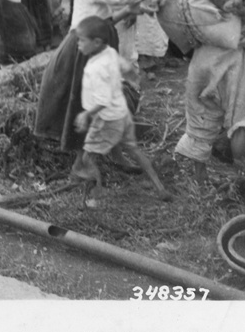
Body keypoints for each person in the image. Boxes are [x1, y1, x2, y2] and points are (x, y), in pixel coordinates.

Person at [33, 0, 163, 150]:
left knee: (85, 96)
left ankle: (92, 147)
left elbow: (103, 19)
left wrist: (131, 10)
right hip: (81, 50)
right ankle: (87, 150)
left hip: (81, 48)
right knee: (89, 96)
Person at [71, 16, 172, 206]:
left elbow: (102, 100)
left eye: (82, 40)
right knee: (133, 149)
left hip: (107, 118)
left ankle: (95, 196)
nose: (78, 44)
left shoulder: (95, 68)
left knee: (87, 158)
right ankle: (159, 187)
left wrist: (86, 114)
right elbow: (128, 70)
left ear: (96, 42)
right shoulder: (109, 53)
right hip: (122, 114)